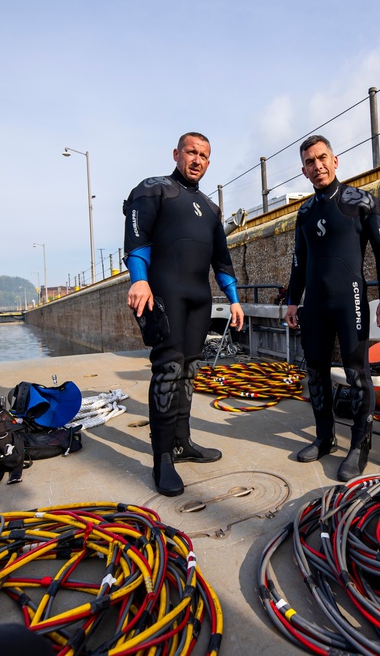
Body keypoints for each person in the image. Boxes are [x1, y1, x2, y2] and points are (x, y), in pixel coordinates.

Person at [123, 132, 245, 497]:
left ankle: (182, 441)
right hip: (165, 294)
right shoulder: (154, 189)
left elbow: (221, 260)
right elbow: (137, 238)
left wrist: (234, 299)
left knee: (191, 368)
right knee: (169, 368)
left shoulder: (210, 208)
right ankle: (162, 456)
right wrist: (139, 280)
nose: (197, 160)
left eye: (204, 156)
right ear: (176, 153)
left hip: (198, 297)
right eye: (191, 152)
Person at [283, 135, 380, 482]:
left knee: (356, 372)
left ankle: (359, 446)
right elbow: (299, 263)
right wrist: (291, 300)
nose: (317, 166)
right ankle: (324, 437)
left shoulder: (360, 201)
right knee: (315, 371)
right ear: (303, 171)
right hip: (315, 303)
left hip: (351, 301)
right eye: (309, 162)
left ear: (335, 161)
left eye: (322, 158)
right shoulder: (304, 212)